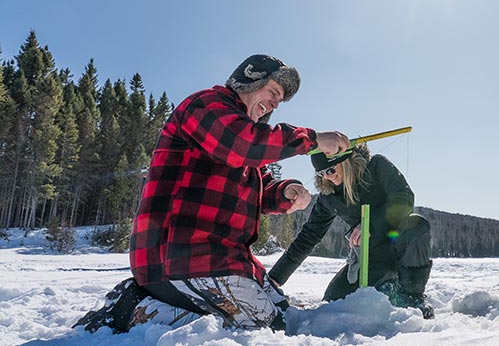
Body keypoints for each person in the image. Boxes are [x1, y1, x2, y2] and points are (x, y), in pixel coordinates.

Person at [74, 54, 350, 333]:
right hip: (181, 256)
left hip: (223, 259)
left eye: (280, 100)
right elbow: (241, 143)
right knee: (265, 328)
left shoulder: (243, 137)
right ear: (250, 80)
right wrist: (312, 140)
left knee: (281, 311)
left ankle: (164, 304)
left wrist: (285, 191)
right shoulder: (206, 106)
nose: (276, 103)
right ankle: (135, 309)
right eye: (274, 92)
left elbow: (262, 186)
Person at [268, 143, 435, 319]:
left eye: (330, 170)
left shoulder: (377, 167)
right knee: (333, 303)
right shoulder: (329, 197)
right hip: (369, 258)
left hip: (401, 248)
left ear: (344, 161)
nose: (327, 177)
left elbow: (404, 197)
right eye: (321, 174)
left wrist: (369, 225)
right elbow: (308, 236)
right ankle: (387, 286)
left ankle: (413, 296)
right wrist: (274, 279)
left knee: (417, 224)